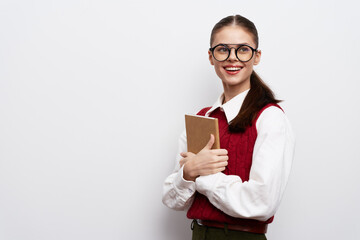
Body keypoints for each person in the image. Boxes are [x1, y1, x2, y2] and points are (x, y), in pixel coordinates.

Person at [162, 14, 295, 240]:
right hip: (199, 234)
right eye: (223, 49)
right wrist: (188, 171)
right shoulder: (201, 119)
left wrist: (200, 175)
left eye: (243, 49)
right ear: (211, 57)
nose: (232, 58)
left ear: (257, 56)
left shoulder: (270, 117)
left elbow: (262, 202)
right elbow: (171, 199)